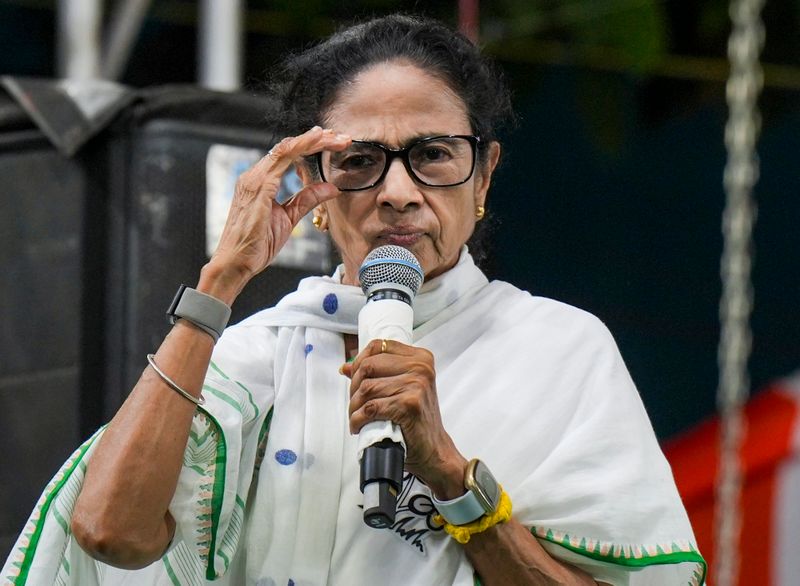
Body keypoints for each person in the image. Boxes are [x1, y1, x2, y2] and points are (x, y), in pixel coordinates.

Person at [2, 14, 705, 586]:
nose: (398, 192)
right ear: (313, 186)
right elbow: (108, 535)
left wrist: (451, 476)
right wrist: (218, 285)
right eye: (360, 161)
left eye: (433, 154)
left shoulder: (557, 351)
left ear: (484, 176)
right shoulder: (254, 354)